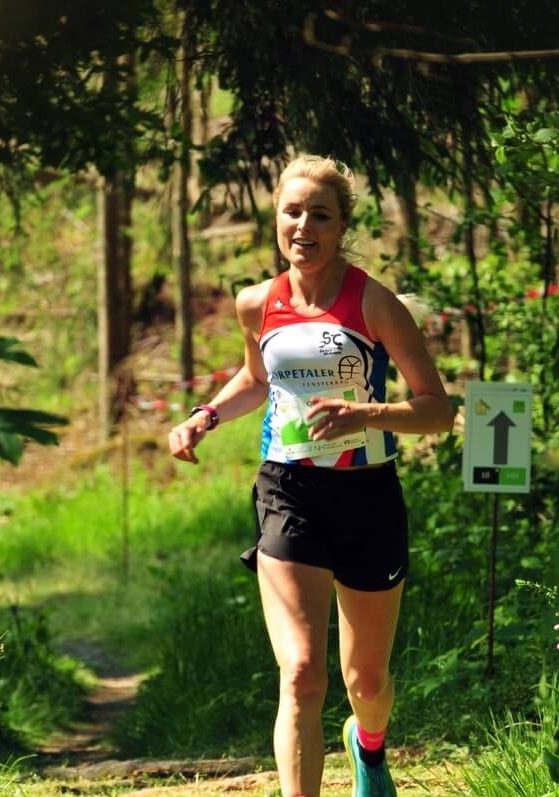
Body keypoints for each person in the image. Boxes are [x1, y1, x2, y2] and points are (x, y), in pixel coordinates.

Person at [167, 153, 454, 797]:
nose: (304, 226)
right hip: (288, 490)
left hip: (368, 497)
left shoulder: (375, 305)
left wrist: (365, 412)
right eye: (292, 212)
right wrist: (204, 417)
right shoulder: (256, 304)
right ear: (276, 218)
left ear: (342, 224)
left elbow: (437, 410)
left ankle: (369, 746)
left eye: (319, 215)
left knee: (367, 684)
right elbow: (257, 379)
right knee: (299, 674)